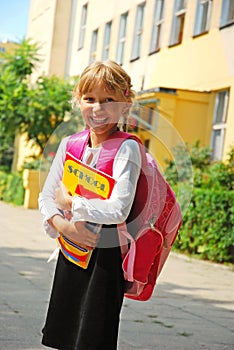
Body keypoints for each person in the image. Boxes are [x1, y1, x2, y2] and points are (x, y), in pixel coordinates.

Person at [38, 60, 142, 350]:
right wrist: (64, 225)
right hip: (71, 250)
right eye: (90, 99)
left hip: (105, 258)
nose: (98, 108)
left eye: (109, 99)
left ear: (125, 104)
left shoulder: (127, 148)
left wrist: (71, 202)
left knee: (94, 336)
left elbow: (119, 209)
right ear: (78, 101)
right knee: (64, 333)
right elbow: (46, 197)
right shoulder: (71, 144)